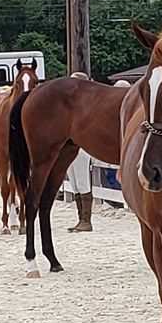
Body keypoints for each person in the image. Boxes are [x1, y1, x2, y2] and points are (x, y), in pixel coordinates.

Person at [65, 71, 94, 232]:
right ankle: (80, 218)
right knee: (75, 183)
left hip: (82, 146)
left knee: (82, 181)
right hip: (70, 146)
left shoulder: (86, 105)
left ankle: (86, 220)